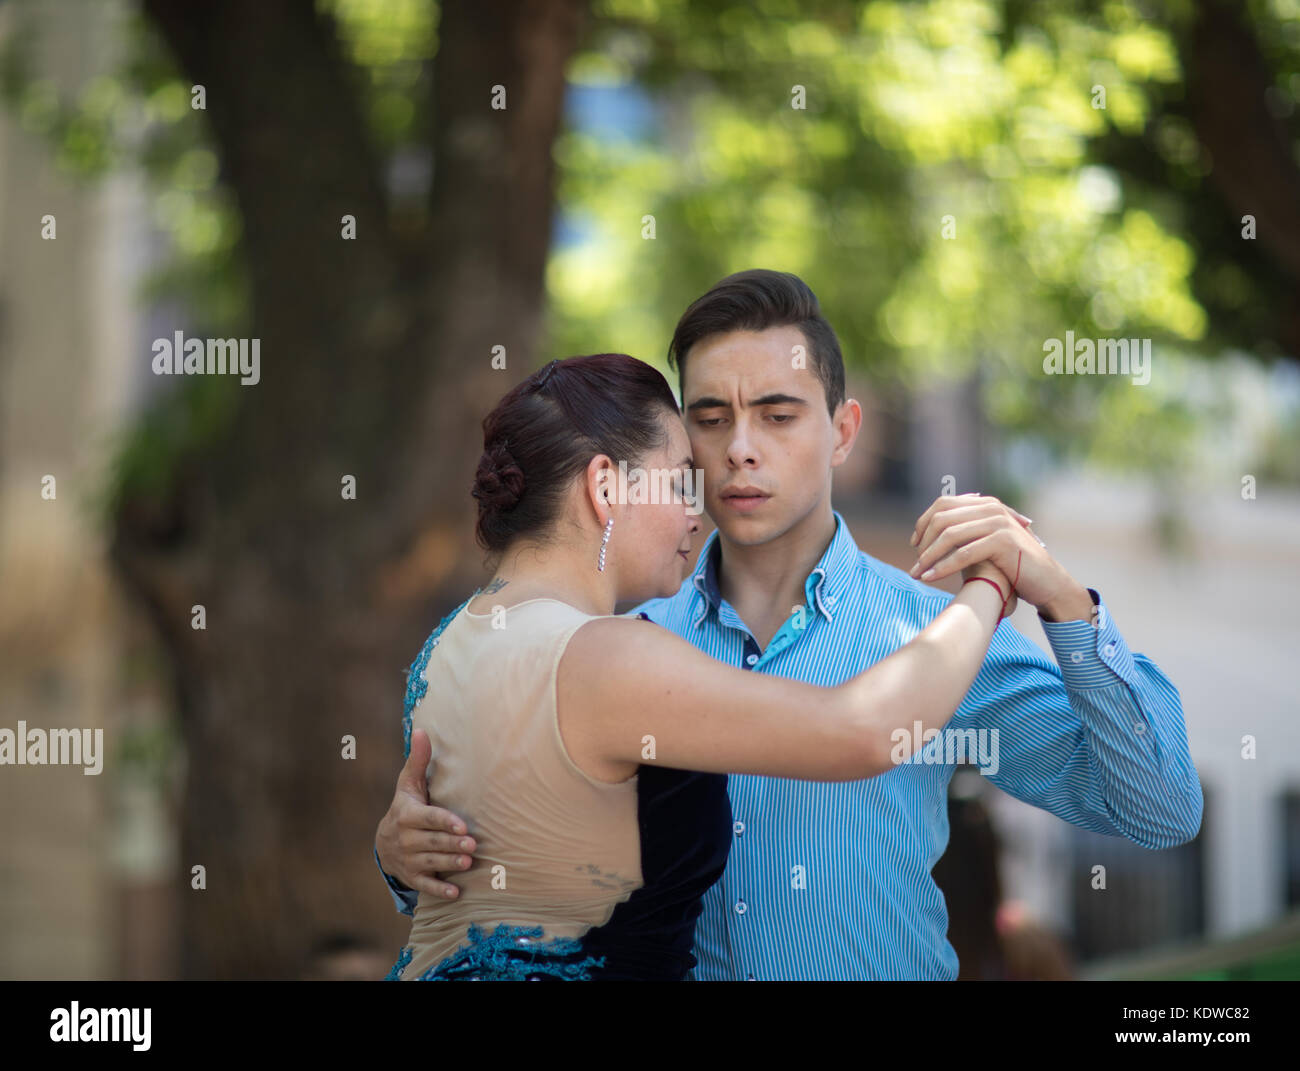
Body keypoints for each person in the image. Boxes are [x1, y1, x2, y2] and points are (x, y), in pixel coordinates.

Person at [378, 270, 1202, 980]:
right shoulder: (613, 638)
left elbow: (1160, 808)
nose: (739, 448)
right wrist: (406, 857)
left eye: (777, 414)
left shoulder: (931, 636)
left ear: (842, 430)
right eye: (708, 416)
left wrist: (1064, 600)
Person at [383, 351, 1015, 980]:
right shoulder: (608, 654)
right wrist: (986, 589)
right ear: (605, 487)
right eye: (681, 480)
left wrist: (392, 854)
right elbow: (864, 730)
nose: (698, 510)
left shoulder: (448, 644)